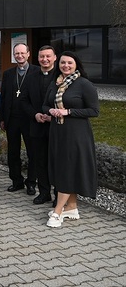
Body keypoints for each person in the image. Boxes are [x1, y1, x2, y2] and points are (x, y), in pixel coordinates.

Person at [44, 51, 99, 228]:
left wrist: (68, 112)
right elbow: (45, 104)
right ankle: (72, 207)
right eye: (62, 63)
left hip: (76, 135)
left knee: (67, 170)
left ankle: (58, 211)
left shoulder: (84, 84)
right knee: (65, 167)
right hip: (58, 133)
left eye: (69, 63)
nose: (65, 66)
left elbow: (94, 111)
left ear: (76, 65)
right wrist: (50, 111)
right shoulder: (55, 83)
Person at [0, 43, 39, 195]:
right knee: (13, 152)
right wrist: (2, 118)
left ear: (28, 54)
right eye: (17, 53)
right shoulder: (8, 73)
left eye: (22, 53)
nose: (19, 56)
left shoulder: (36, 71)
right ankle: (16, 181)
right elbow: (3, 97)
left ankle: (31, 182)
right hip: (12, 119)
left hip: (30, 119)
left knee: (32, 152)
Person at [21, 45, 58, 205]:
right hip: (37, 125)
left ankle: (59, 194)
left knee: (56, 161)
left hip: (56, 127)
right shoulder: (31, 76)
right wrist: (35, 114)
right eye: (42, 56)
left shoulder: (61, 75)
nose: (45, 59)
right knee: (39, 160)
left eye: (48, 56)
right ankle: (44, 193)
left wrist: (52, 115)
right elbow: (23, 101)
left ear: (54, 57)